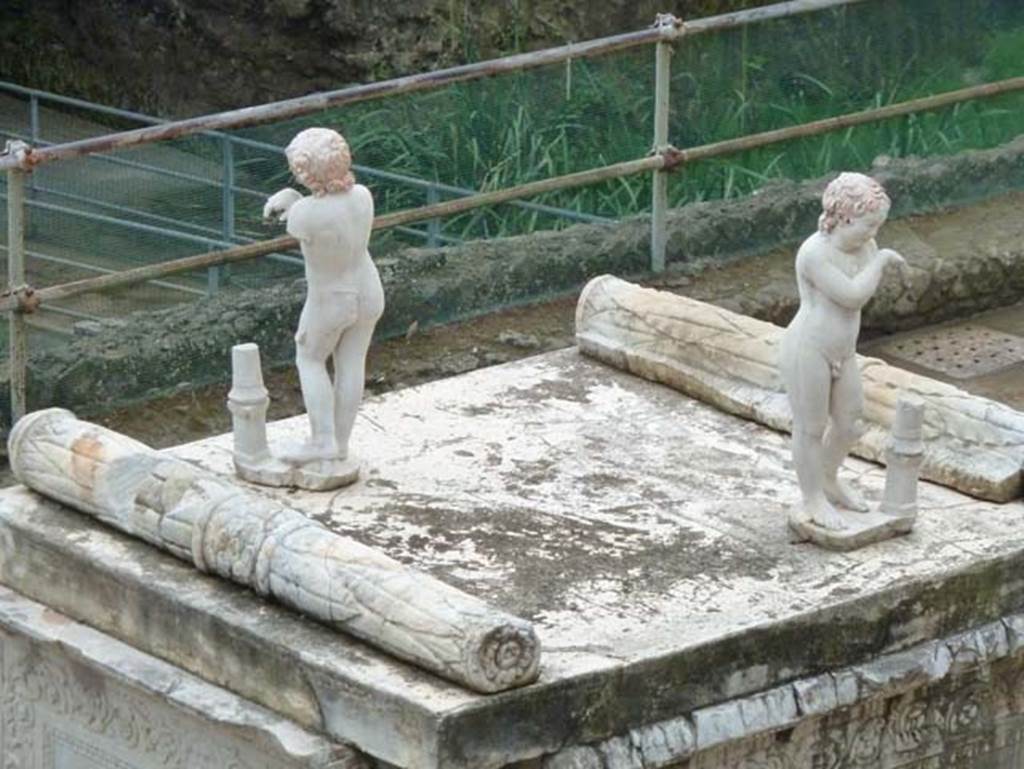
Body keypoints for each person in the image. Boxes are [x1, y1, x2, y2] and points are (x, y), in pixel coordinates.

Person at [780, 172, 904, 530]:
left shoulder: (866, 246)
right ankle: (812, 497)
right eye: (867, 225)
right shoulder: (815, 253)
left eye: (877, 226)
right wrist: (881, 263)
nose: (873, 234)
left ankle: (829, 478)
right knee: (811, 427)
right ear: (844, 218)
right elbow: (852, 296)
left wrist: (874, 254)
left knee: (851, 424)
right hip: (809, 348)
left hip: (844, 351)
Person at [263, 127, 384, 464]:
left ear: (306, 172)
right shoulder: (362, 195)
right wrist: (295, 197)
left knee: (310, 358)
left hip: (333, 298)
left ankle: (322, 440)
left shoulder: (304, 215)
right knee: (351, 362)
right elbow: (330, 207)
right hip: (368, 290)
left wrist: (290, 198)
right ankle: (340, 444)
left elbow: (301, 220)